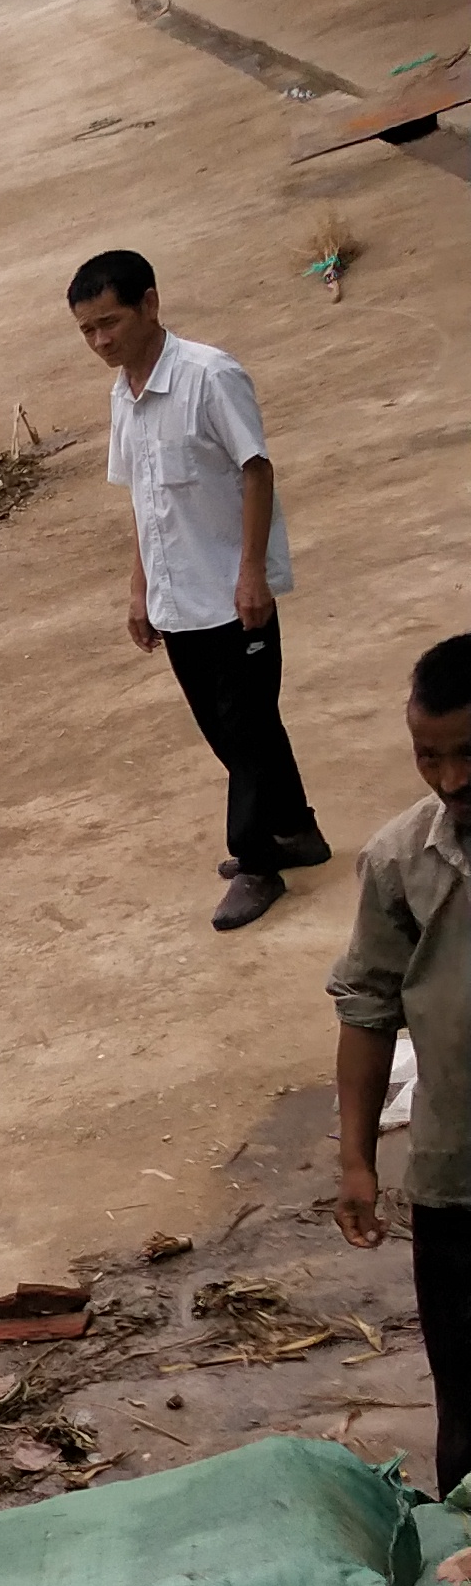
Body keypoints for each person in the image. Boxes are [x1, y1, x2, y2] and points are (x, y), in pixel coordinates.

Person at [69, 248, 325, 932]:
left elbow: (256, 471)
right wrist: (138, 590)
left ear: (150, 305)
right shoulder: (123, 396)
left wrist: (251, 573)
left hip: (232, 595)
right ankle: (296, 829)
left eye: (111, 323)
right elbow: (143, 502)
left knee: (243, 733)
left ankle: (257, 861)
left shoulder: (210, 377)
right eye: (88, 331)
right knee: (232, 728)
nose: (101, 342)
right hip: (178, 601)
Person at [333, 633, 470, 1500]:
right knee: (466, 1396)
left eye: (470, 754)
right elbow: (368, 1008)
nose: (451, 780)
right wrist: (356, 1157)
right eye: (430, 756)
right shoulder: (400, 860)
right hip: (457, 1182)